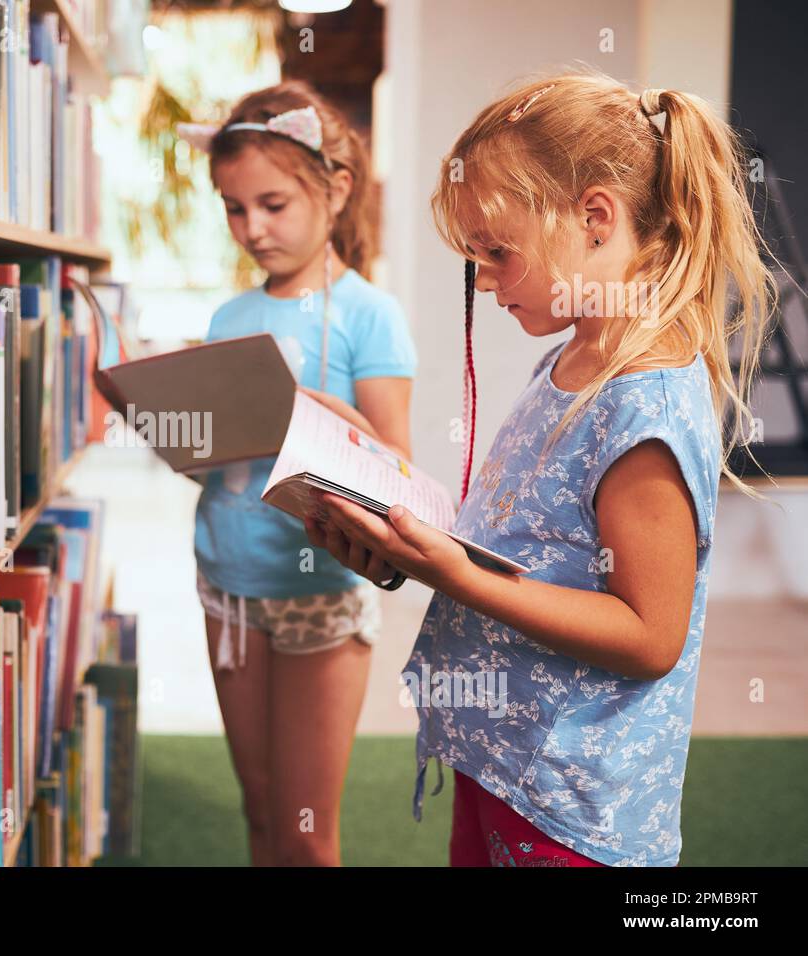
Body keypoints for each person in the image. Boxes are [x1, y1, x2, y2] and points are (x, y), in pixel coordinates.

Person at [306, 74, 773, 866]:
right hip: (507, 763)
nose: (483, 280)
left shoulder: (643, 403)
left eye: (496, 252)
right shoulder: (570, 359)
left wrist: (456, 577)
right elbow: (528, 538)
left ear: (595, 218)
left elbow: (649, 635)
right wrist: (378, 483)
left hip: (573, 808)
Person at [177, 81, 418, 866]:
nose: (253, 228)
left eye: (273, 204)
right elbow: (212, 469)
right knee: (260, 808)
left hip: (319, 593)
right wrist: (177, 425)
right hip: (227, 579)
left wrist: (308, 412)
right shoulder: (228, 319)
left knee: (307, 833)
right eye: (233, 207)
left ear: (336, 189)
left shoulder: (368, 313)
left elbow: (398, 472)